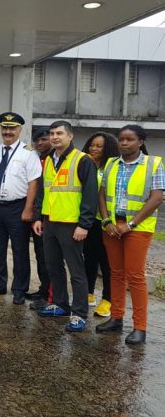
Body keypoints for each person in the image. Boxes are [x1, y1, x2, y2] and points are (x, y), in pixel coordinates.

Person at [96, 125, 163, 345]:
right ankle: (116, 318)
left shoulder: (154, 163)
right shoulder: (112, 163)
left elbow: (156, 198)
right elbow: (102, 194)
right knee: (116, 273)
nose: (124, 143)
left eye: (129, 139)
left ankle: (140, 327)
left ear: (140, 142)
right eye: (121, 139)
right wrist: (106, 221)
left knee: (135, 276)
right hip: (113, 227)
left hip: (138, 229)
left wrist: (131, 224)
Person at [33, 121, 98, 333]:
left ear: (70, 136)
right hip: (50, 222)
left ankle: (79, 314)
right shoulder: (49, 160)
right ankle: (61, 304)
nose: (54, 137)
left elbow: (90, 194)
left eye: (59, 133)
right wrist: (39, 218)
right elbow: (44, 192)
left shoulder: (82, 160)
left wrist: (84, 224)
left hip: (72, 225)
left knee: (76, 271)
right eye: (52, 133)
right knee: (53, 266)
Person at [0, 112, 41, 305]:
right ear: (1, 129)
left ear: (19, 130)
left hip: (18, 207)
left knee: (20, 250)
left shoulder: (28, 153)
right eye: (5, 128)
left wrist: (28, 209)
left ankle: (19, 289)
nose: (8, 132)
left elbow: (33, 183)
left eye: (12, 128)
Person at [81, 131, 119, 317]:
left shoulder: (112, 167)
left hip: (106, 221)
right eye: (92, 144)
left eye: (99, 146)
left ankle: (107, 299)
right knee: (89, 258)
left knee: (107, 262)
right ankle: (88, 293)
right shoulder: (84, 162)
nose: (93, 148)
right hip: (88, 220)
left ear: (108, 149)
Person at [28, 127, 52, 311]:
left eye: (44, 139)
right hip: (37, 215)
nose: (40, 143)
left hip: (51, 216)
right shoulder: (37, 158)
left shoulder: (54, 160)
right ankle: (43, 290)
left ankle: (50, 296)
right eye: (37, 140)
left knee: (49, 258)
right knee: (40, 256)